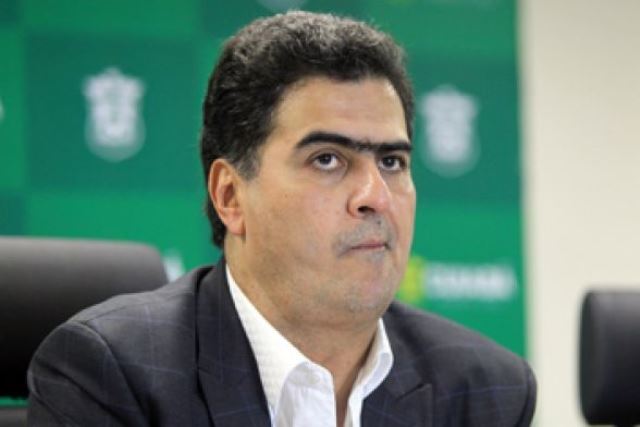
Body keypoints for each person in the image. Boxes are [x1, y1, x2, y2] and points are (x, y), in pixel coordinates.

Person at [27, 11, 536, 427]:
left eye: (391, 162)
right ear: (230, 196)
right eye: (328, 160)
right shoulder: (113, 376)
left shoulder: (485, 391)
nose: (375, 197)